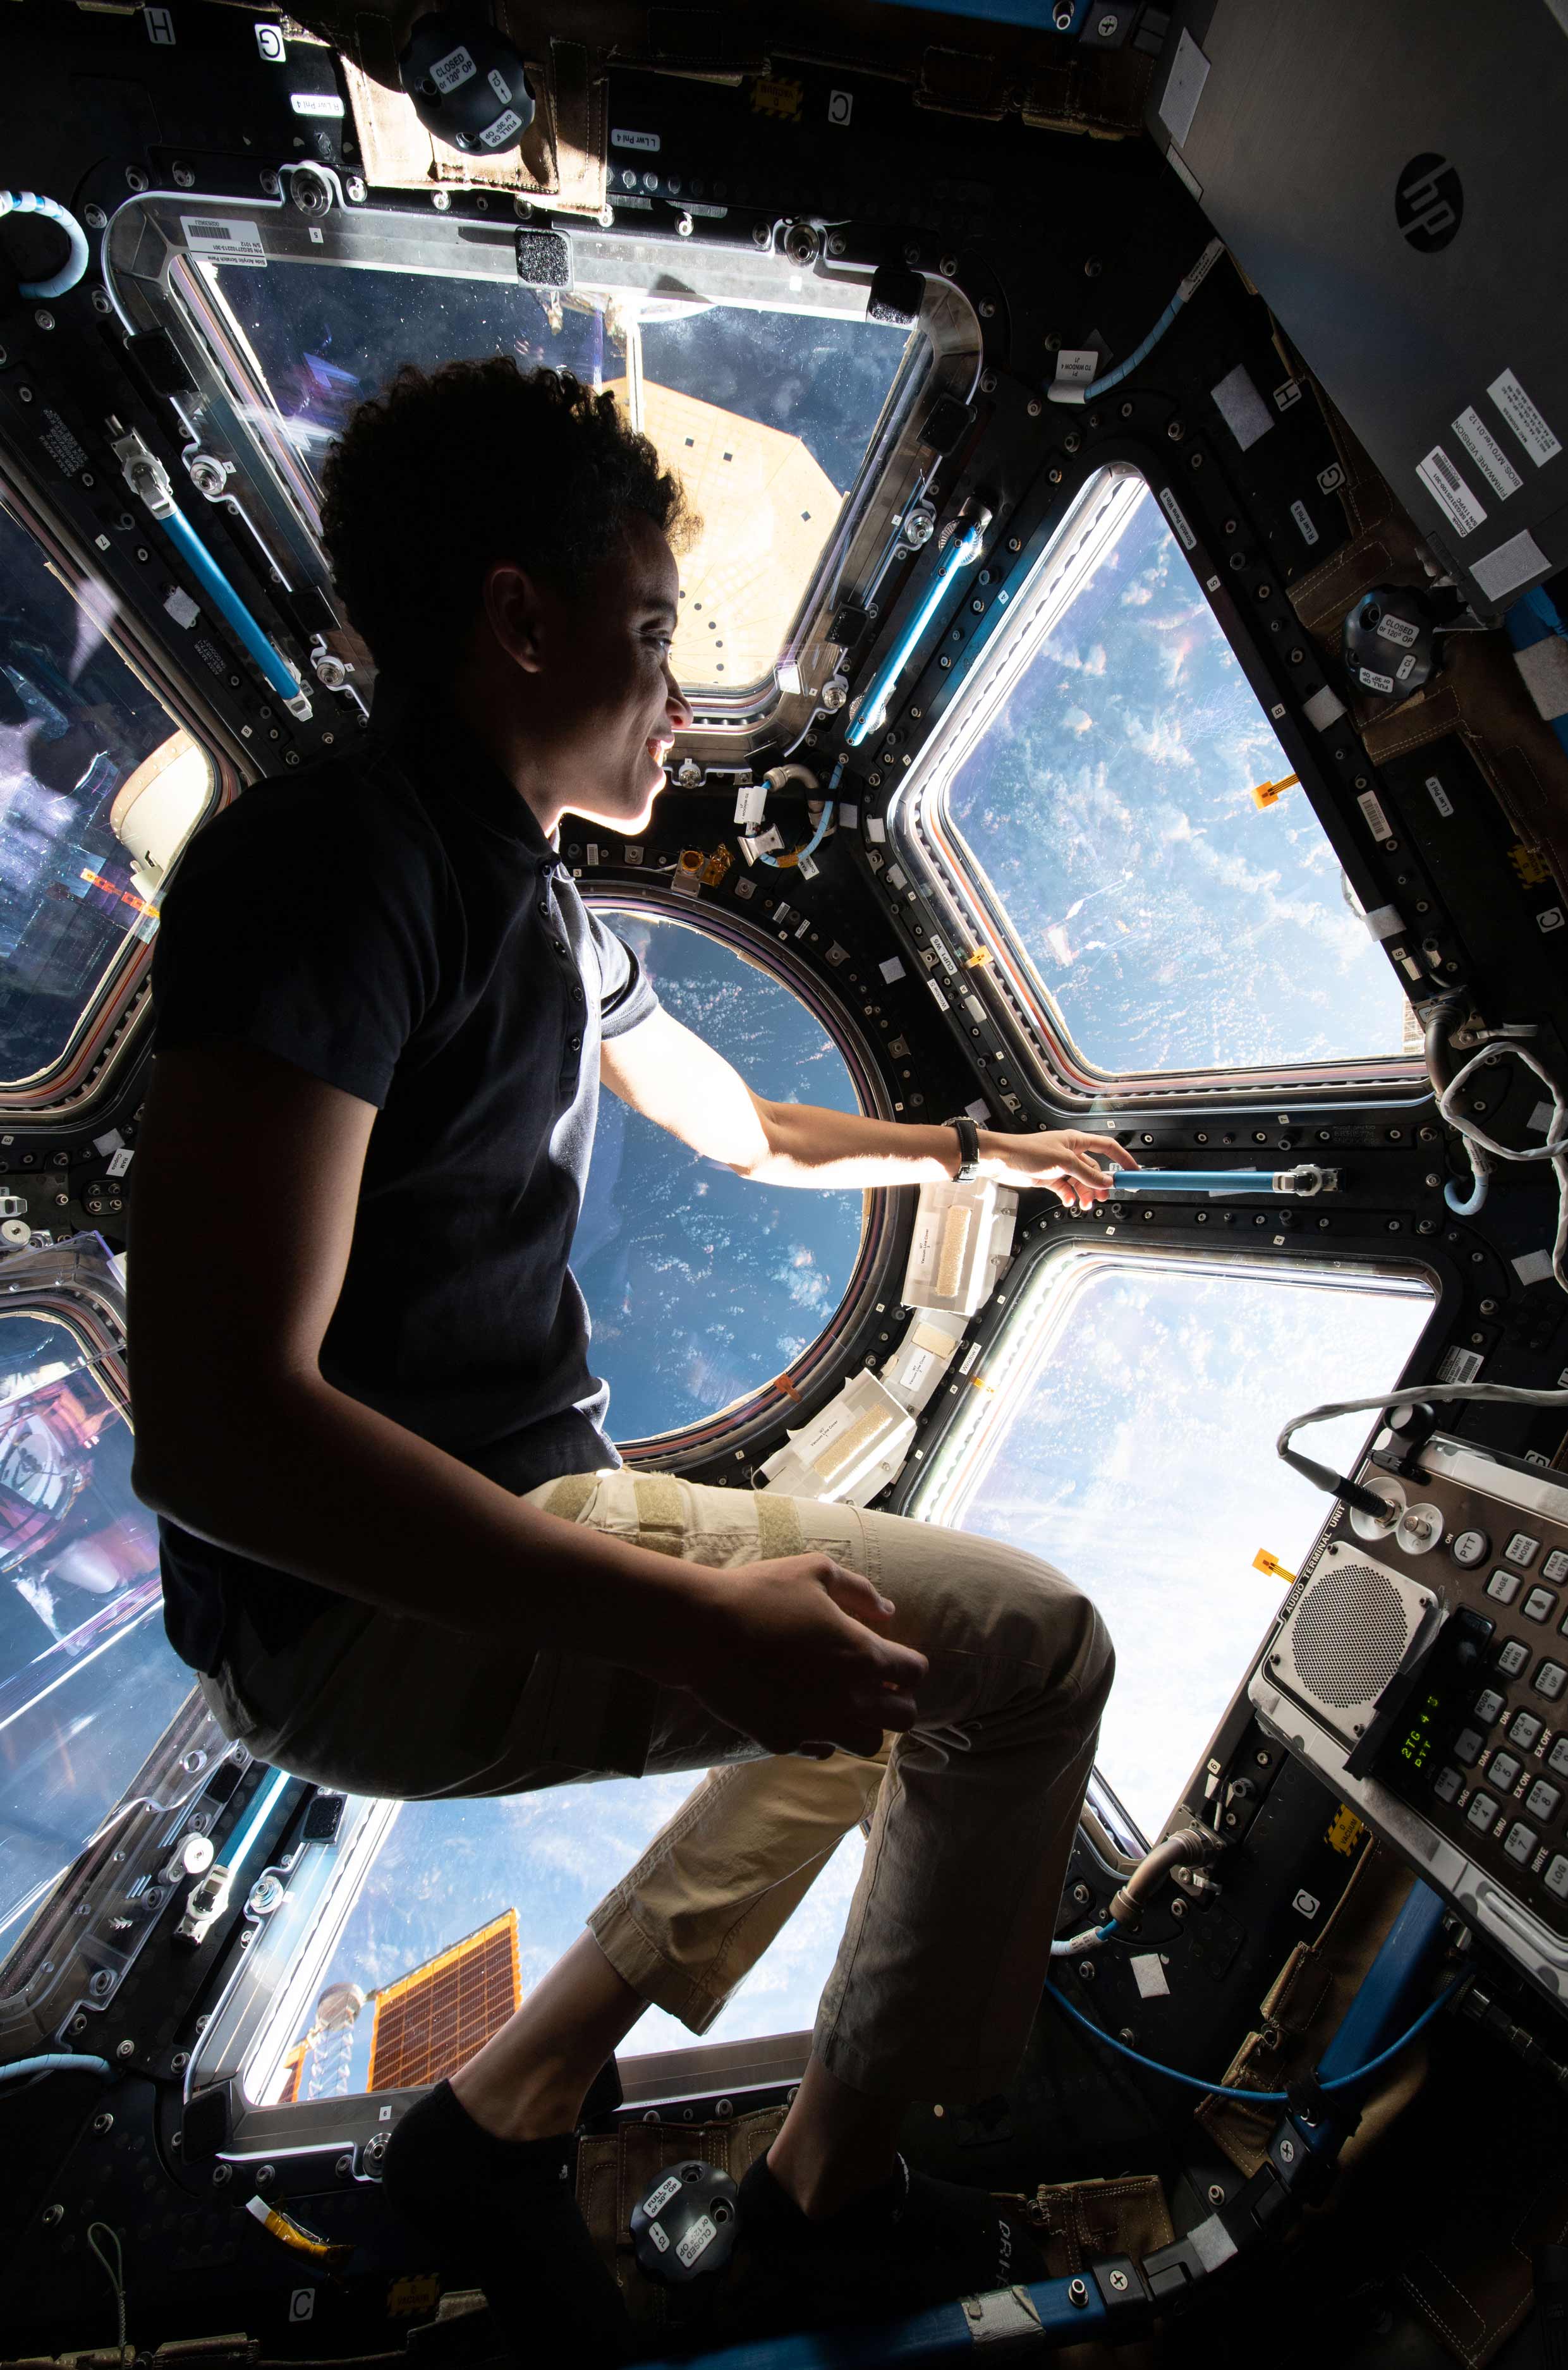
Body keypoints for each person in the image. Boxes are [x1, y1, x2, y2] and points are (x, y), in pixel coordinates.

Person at [127, 359, 1128, 2359]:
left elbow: (746, 1132)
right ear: (517, 621)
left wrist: (964, 1146)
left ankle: (499, 2119)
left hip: (485, 1544)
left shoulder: (551, 914)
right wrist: (693, 1629)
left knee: (856, 1672)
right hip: (358, 1606)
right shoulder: (337, 865)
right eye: (655, 634)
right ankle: (825, 2197)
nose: (681, 697)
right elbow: (226, 1437)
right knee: (1023, 1657)